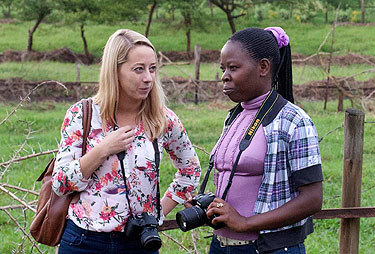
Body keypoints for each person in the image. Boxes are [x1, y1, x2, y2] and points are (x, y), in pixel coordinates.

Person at [52, 29, 201, 254]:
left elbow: (190, 171)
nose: (148, 78)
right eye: (138, 69)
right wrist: (102, 150)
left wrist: (160, 212)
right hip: (83, 241)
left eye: (152, 69)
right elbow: (60, 183)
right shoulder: (82, 115)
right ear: (115, 71)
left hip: (140, 242)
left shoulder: (163, 119)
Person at [205, 27, 323, 254]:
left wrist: (246, 223)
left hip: (268, 248)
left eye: (233, 68)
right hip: (221, 245)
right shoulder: (234, 116)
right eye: (222, 68)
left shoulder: (294, 121)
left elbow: (313, 199)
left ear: (263, 67)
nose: (224, 76)